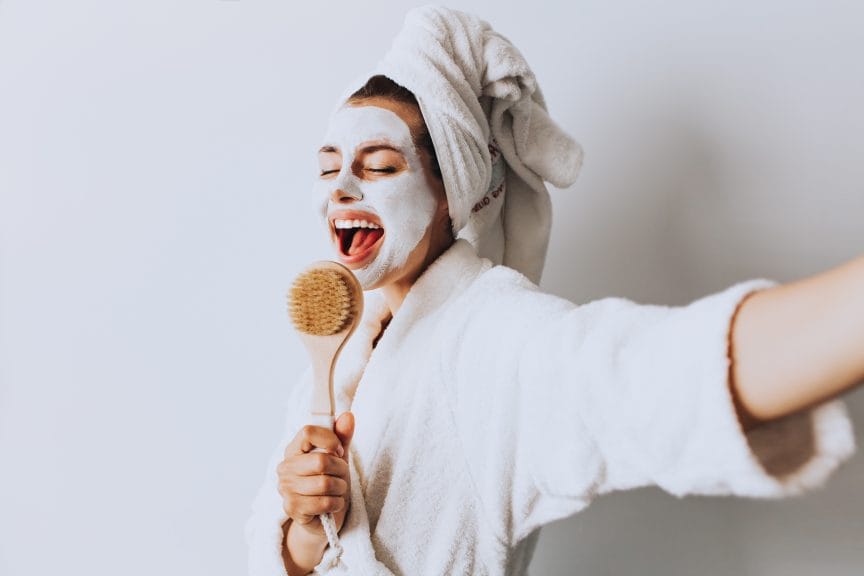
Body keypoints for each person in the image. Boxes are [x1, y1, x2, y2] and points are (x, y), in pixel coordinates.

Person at [246, 7, 861, 575]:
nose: (341, 188)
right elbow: (289, 555)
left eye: (380, 166)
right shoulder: (342, 356)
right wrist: (304, 527)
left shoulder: (490, 338)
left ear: (449, 194)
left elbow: (647, 374)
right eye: (328, 168)